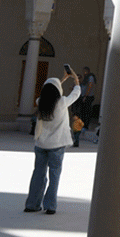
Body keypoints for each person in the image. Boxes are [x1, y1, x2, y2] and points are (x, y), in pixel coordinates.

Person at [24, 69, 79, 214]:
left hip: (41, 145)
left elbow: (49, 90)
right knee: (54, 175)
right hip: (57, 146)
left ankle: (32, 204)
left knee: (38, 174)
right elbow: (76, 94)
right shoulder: (62, 102)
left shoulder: (40, 101)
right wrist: (76, 81)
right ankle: (50, 206)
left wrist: (60, 79)